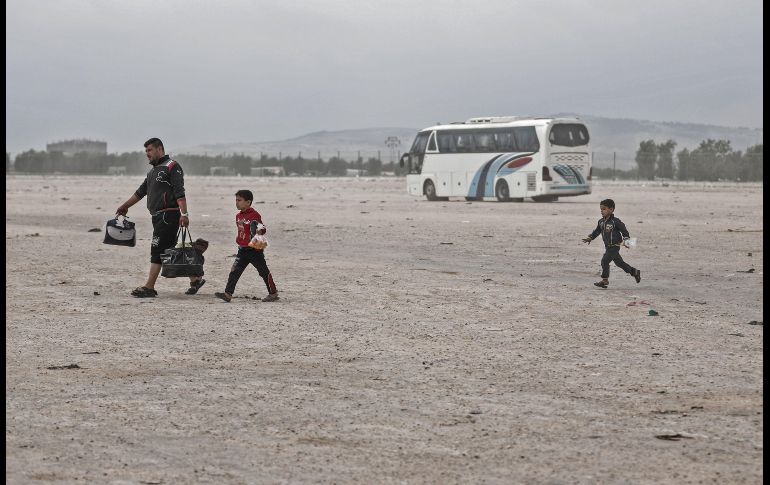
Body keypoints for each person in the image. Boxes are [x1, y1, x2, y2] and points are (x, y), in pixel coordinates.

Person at [115, 138, 205, 297]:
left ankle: (149, 287)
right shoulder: (152, 172)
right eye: (146, 151)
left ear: (160, 149)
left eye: (149, 150)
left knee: (156, 249)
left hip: (169, 214)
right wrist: (125, 206)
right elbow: (140, 192)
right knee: (171, 248)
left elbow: (179, 192)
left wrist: (184, 214)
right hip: (157, 216)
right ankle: (195, 278)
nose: (147, 154)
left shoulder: (172, 166)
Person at [215, 190, 279, 303]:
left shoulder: (254, 215)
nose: (237, 203)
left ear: (248, 202)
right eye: (236, 200)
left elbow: (263, 229)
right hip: (242, 250)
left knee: (263, 272)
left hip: (255, 250)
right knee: (234, 271)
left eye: (239, 200)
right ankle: (228, 294)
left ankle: (273, 293)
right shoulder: (238, 216)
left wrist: (258, 230)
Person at [582, 198, 641, 288]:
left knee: (604, 261)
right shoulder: (601, 222)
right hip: (607, 246)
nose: (602, 211)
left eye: (604, 209)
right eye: (601, 209)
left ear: (611, 209)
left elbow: (624, 230)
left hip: (614, 246)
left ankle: (605, 280)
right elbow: (597, 231)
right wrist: (590, 238)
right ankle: (635, 272)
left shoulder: (615, 221)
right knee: (620, 263)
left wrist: (627, 241)